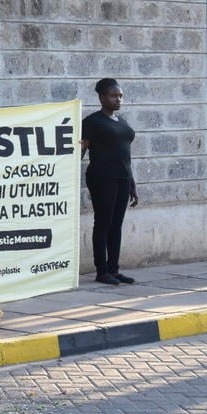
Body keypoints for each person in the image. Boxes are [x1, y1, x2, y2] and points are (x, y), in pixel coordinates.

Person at [81, 77, 138, 285]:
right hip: (102, 178)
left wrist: (132, 182)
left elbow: (125, 154)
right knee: (103, 223)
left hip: (123, 178)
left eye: (120, 96)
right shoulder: (92, 122)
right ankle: (101, 271)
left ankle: (114, 269)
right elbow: (80, 151)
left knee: (117, 225)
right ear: (102, 97)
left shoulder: (121, 121)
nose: (118, 99)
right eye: (114, 96)